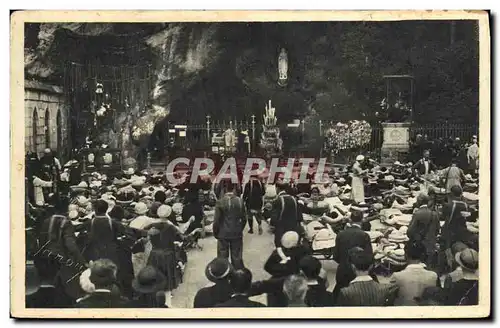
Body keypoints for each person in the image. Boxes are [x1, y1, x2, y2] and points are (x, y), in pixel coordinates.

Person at [262, 231, 310, 307]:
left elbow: (267, 267)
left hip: (278, 281)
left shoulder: (277, 253)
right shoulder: (302, 251)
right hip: (296, 280)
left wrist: (278, 272)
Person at [332, 211, 373, 297]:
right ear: (362, 220)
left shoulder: (340, 234)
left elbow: (335, 256)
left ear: (350, 220)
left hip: (342, 271)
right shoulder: (364, 235)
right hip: (359, 273)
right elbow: (369, 257)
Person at [389, 241, 440, 306]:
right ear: (423, 256)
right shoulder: (434, 276)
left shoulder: (397, 277)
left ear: (405, 256)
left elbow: (389, 301)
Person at [213, 180, 245, 269]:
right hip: (236, 233)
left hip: (223, 234)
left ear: (225, 188)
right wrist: (239, 228)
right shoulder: (240, 201)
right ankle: (238, 276)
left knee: (223, 258)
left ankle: (225, 275)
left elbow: (216, 221)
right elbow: (244, 219)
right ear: (234, 188)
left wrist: (216, 233)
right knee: (237, 257)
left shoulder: (220, 202)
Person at [407, 193, 440, 266]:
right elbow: (437, 229)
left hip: (419, 245)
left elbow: (410, 231)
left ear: (419, 202)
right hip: (431, 244)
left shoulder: (417, 214)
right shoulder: (434, 214)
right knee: (428, 265)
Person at [270, 183, 303, 247]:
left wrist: (272, 224)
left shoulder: (277, 200)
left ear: (277, 188)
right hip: (293, 227)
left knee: (279, 245)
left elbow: (274, 216)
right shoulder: (293, 199)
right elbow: (299, 215)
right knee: (292, 245)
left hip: (281, 228)